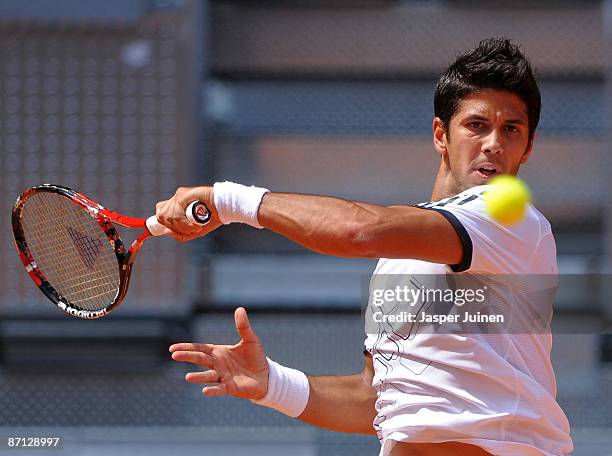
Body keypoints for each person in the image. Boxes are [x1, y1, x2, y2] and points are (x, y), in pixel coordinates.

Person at [155, 38, 573, 455]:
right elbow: (375, 399)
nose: (494, 143)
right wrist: (271, 383)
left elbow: (360, 230)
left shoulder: (509, 216)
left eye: (511, 129)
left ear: (528, 147)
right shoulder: (399, 259)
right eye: (477, 125)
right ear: (440, 134)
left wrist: (229, 201)